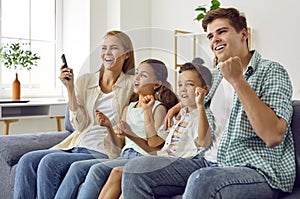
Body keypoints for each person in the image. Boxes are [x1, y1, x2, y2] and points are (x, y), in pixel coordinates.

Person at [122, 7, 295, 199]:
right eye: (211, 36)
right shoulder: (216, 77)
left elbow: (273, 135)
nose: (215, 40)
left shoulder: (271, 71)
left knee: (202, 180)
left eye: (222, 32)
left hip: (255, 169)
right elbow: (201, 101)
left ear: (244, 34)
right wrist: (179, 105)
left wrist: (238, 80)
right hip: (207, 162)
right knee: (136, 170)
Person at [13, 30, 135, 199]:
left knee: (49, 163)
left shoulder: (131, 84)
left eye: (114, 48)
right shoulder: (86, 81)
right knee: (27, 160)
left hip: (102, 150)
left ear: (126, 54)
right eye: (104, 48)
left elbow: (155, 94)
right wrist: (70, 89)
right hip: (77, 144)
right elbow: (79, 125)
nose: (107, 53)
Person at [54, 59, 179, 199]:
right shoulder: (128, 108)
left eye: (143, 75)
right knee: (88, 168)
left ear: (156, 84)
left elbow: (155, 147)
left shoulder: (158, 108)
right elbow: (118, 146)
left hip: (143, 158)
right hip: (124, 156)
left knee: (97, 169)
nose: (136, 78)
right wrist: (108, 127)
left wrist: (131, 132)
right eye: (136, 73)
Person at [98, 62, 215, 199]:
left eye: (189, 84)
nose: (183, 89)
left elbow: (203, 141)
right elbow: (154, 144)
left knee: (132, 171)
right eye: (180, 85)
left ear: (204, 90)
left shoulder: (203, 115)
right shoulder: (179, 116)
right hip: (163, 158)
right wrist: (147, 112)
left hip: (182, 163)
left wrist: (200, 104)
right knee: (117, 172)